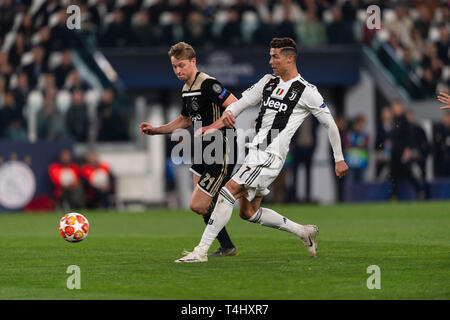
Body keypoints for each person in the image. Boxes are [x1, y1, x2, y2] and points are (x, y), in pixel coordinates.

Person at [176, 37, 348, 263]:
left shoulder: (307, 91)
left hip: (271, 155)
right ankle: (303, 232)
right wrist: (214, 126)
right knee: (248, 212)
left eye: (275, 56)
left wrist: (339, 158)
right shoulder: (268, 81)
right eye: (270, 56)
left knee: (229, 191)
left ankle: (201, 251)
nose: (270, 61)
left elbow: (329, 124)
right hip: (255, 152)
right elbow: (240, 104)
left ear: (290, 58)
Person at [140, 42, 239, 257]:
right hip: (201, 151)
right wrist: (157, 131)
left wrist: (215, 126)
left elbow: (234, 104)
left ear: (193, 62)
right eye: (174, 67)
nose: (177, 71)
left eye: (181, 66)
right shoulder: (186, 89)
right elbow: (185, 120)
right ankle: (227, 247)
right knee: (202, 203)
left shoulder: (208, 84)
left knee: (198, 205)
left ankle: (211, 245)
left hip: (219, 150)